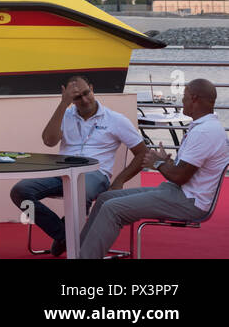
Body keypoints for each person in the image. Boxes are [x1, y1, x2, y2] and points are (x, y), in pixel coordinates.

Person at [77, 78, 229, 259]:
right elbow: (185, 171)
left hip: (188, 201)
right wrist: (166, 162)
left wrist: (158, 163)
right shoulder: (204, 127)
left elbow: (180, 177)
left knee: (112, 209)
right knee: (105, 198)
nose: (182, 100)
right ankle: (77, 252)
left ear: (195, 99)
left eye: (185, 96)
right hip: (178, 192)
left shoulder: (205, 132)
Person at [11, 75, 146, 257]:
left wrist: (119, 180)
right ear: (68, 98)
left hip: (95, 174)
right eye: (76, 97)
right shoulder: (64, 115)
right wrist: (62, 105)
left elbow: (142, 153)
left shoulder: (115, 120)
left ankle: (69, 240)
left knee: (79, 189)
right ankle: (65, 236)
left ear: (91, 88)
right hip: (61, 172)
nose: (84, 100)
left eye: (86, 93)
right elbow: (48, 141)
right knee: (20, 191)